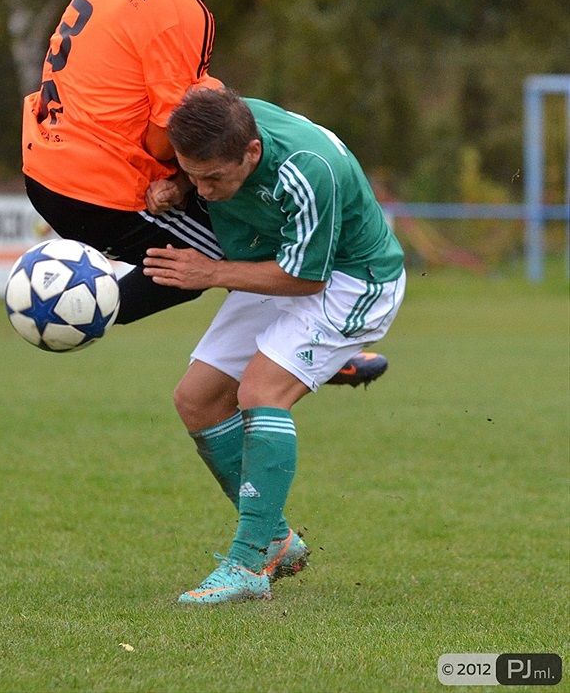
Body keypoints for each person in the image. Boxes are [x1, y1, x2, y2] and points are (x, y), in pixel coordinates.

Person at [21, 0, 387, 383]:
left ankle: (73, 301)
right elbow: (171, 132)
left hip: (44, 162)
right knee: (246, 252)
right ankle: (310, 352)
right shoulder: (176, 8)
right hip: (97, 188)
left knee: (223, 254)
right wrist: (181, 181)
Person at [143, 88, 406, 604]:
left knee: (261, 391)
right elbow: (203, 180)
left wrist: (210, 272)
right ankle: (279, 540)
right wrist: (176, 187)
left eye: (213, 178)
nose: (205, 189)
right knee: (195, 400)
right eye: (193, 173)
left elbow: (306, 280)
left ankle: (248, 564)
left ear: (252, 153)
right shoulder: (220, 126)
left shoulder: (310, 171)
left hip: (351, 281)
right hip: (277, 264)